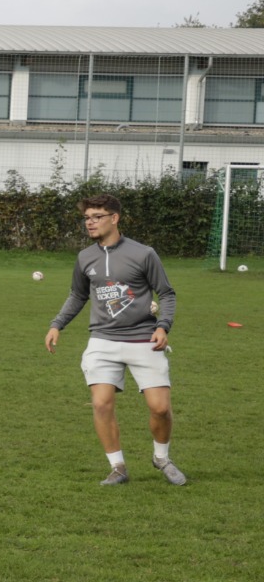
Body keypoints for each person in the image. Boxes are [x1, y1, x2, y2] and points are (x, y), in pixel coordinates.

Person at [45, 193, 184, 486]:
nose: (90, 223)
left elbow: (166, 293)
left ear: (114, 218)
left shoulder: (144, 254)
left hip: (144, 339)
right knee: (101, 404)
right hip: (102, 341)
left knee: (160, 408)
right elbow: (78, 295)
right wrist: (57, 324)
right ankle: (117, 467)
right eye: (87, 218)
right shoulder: (85, 257)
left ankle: (162, 458)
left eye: (97, 217)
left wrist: (163, 326)